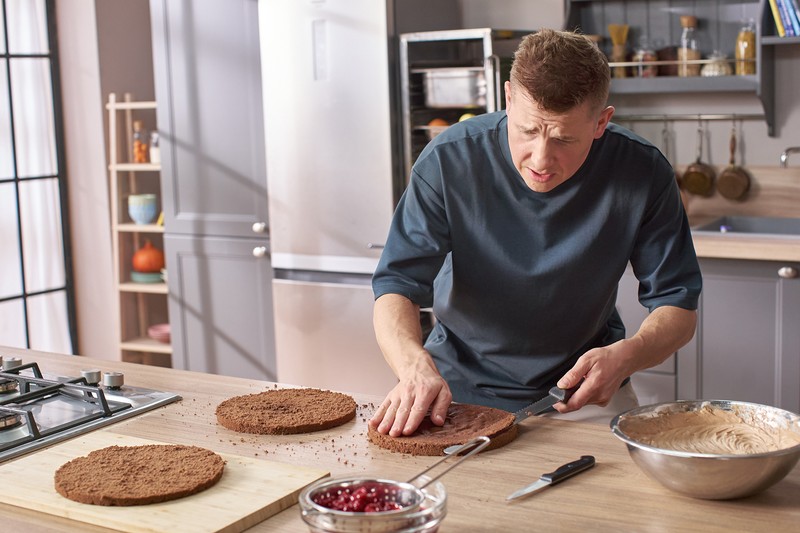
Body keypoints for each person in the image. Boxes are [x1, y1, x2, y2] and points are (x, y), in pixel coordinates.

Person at [369, 29, 701, 437]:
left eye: (563, 138)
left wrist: (627, 356)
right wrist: (414, 367)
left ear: (601, 122)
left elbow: (677, 307)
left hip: (582, 395)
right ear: (508, 98)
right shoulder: (448, 160)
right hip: (454, 392)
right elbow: (396, 286)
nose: (541, 159)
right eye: (527, 130)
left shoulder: (643, 171)